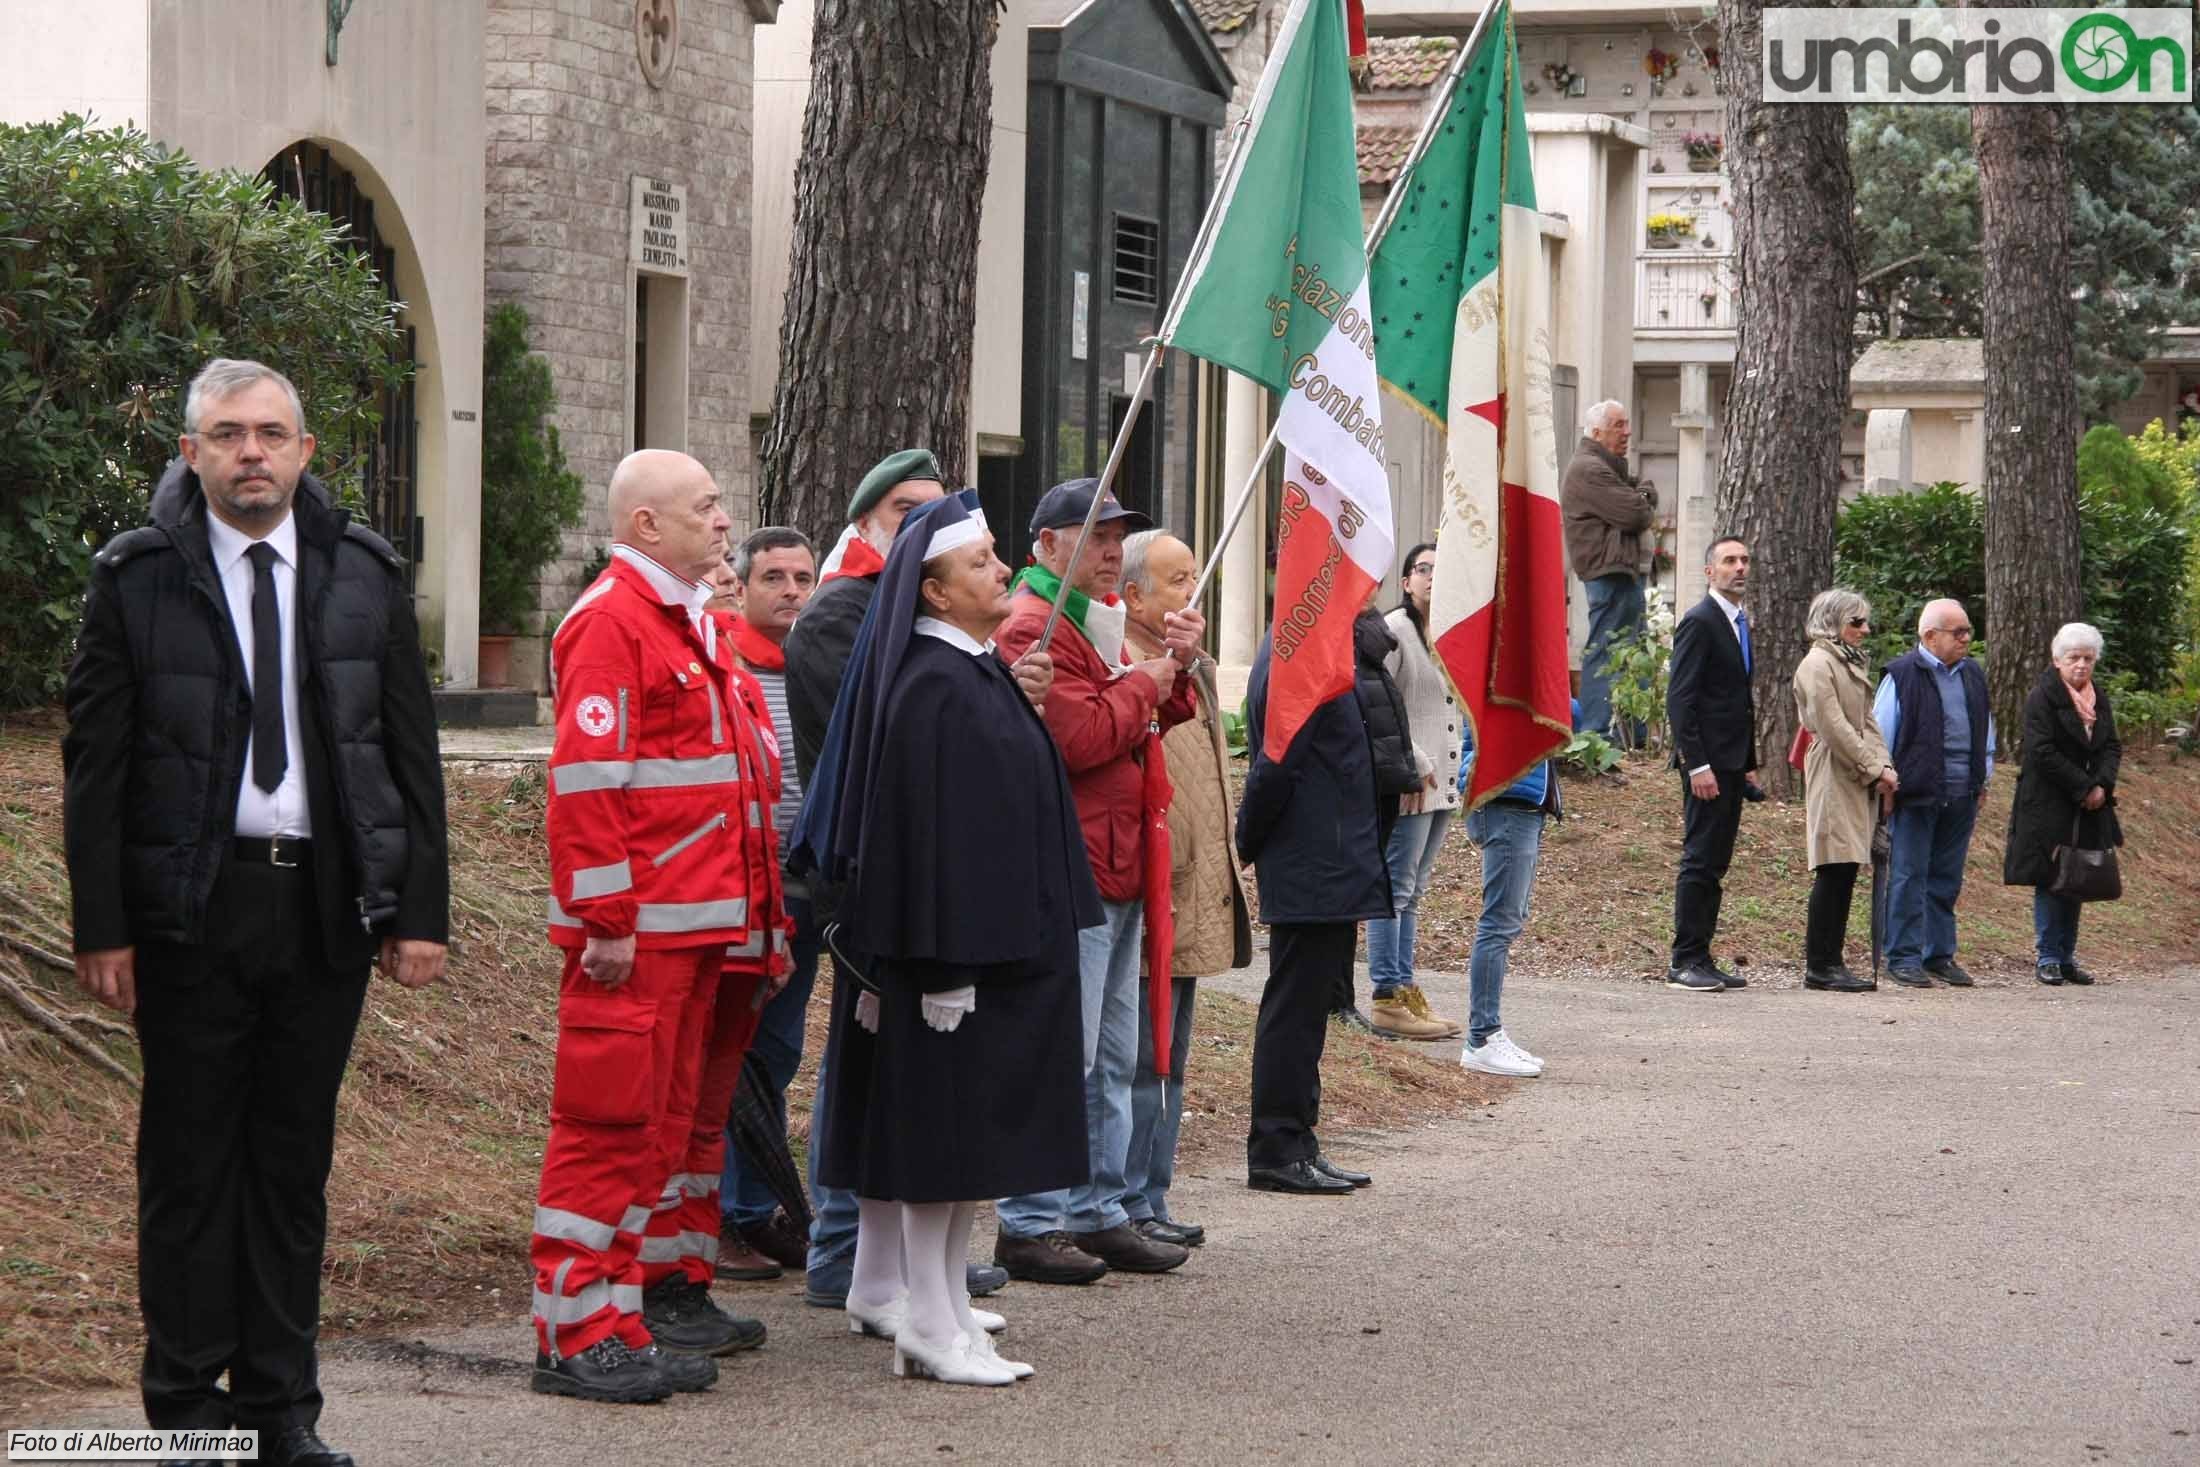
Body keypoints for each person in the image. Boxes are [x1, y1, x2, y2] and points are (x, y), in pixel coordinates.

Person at [63, 358, 449, 1467]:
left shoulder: (366, 575)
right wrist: (102, 925)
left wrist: (416, 909)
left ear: (304, 451)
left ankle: (283, 1408)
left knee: (290, 1165)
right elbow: (97, 766)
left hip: (323, 907)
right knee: (189, 1164)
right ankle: (186, 1412)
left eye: (272, 433)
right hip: (189, 907)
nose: (251, 453)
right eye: (227, 434)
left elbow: (407, 754)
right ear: (190, 454)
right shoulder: (137, 578)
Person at [804, 490, 1098, 1385]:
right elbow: (932, 839)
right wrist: (946, 968)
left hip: (997, 949)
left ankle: (938, 1311)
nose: (1002, 570)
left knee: (963, 1144)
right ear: (932, 592)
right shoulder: (934, 686)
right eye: (979, 563)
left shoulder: (968, 670)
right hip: (959, 957)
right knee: (944, 1142)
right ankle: (928, 1324)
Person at [528, 449, 788, 1404]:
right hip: (635, 943)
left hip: (691, 936)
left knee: (658, 1134)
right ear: (647, 525)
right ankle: (571, 1333)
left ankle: (621, 1319)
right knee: (607, 1131)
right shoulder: (611, 622)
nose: (725, 523)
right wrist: (605, 916)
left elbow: (734, 784)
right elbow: (588, 786)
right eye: (707, 507)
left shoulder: (681, 621)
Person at [780, 451, 1011, 1311]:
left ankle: (891, 1273)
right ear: (871, 517)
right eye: (908, 506)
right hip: (878, 899)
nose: (925, 517)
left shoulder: (915, 631)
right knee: (878, 1078)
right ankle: (844, 1252)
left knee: (898, 1075)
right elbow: (888, 749)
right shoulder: (847, 613)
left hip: (913, 897)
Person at [991, 479, 1203, 1282]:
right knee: (1065, 1051)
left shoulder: (1094, 621)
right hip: (1072, 861)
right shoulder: (1033, 625)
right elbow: (1079, 738)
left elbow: (1143, 718)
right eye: (1095, 535)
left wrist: (1169, 671)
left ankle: (1096, 1205)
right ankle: (1032, 1217)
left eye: (1117, 537)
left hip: (1114, 859)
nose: (1113, 551)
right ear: (1046, 545)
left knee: (1110, 1053)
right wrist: (1149, 680)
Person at [1118, 530, 1252, 1250]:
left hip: (1196, 883)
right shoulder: (1126, 664)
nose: (1190, 595)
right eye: (1176, 581)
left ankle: (1153, 1191)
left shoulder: (1189, 670)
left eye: (1196, 577)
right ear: (1134, 595)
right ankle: (1127, 1198)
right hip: (1150, 887)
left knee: (1171, 1050)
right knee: (1139, 1053)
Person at [1237, 635, 1390, 1195]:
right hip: (1310, 862)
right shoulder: (1296, 650)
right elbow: (1276, 764)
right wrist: (1247, 841)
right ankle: (1276, 1148)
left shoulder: (1320, 649)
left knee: (1310, 1011)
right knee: (1294, 1009)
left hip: (1332, 862)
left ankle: (1299, 1140)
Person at [715, 526, 823, 1279]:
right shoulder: (721, 660)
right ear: (745, 587)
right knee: (736, 1058)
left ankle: (760, 1208)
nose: (791, 591)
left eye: (803, 578)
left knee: (779, 1055)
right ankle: (724, 1216)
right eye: (774, 578)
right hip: (743, 888)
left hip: (808, 888)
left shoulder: (816, 665)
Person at [1368, 542, 1464, 1040]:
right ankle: (1386, 993)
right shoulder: (1395, 632)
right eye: (1422, 570)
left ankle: (1406, 988)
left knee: (1415, 890)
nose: (1431, 578)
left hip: (1444, 784)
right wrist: (1411, 763)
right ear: (1406, 582)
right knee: (1395, 889)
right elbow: (1382, 706)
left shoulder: (1447, 635)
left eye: (1440, 570)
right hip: (1412, 780)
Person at [1874, 598, 1996, 990]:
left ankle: (1938, 955)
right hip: (1915, 794)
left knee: (1946, 878)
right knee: (1909, 875)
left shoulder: (1972, 674)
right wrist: (1886, 785)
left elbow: (1985, 732)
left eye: (1967, 632)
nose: (1965, 639)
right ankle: (1903, 956)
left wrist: (1983, 780)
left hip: (1962, 792)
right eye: (1957, 632)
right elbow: (1882, 734)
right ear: (1929, 635)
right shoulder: (1901, 674)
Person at [1453, 701, 1576, 1076]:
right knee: (1499, 923)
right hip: (1508, 801)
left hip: (1517, 799)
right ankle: (1482, 1037)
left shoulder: (1511, 674)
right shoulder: (1505, 676)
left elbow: (1569, 714)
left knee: (1507, 920)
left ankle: (1487, 1033)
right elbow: (1563, 713)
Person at [2003, 623, 2122, 986]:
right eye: (2074, 658)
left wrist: (2101, 785)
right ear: (2057, 660)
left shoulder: (2098, 697)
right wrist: (2083, 786)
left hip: (2089, 805)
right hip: (2049, 802)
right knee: (2052, 878)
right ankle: (2048, 956)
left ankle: (2068, 956)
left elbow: (2111, 746)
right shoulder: (2043, 696)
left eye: (2088, 658)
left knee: (2079, 878)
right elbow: (2041, 751)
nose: (2081, 665)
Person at [1666, 535, 1759, 993]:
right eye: (1729, 561)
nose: (1739, 567)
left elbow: (1737, 700)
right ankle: (1684, 960)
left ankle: (1702, 955)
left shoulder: (1739, 623)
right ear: (1709, 572)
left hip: (1730, 763)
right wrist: (1695, 763)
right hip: (1706, 765)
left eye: (1743, 560)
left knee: (1716, 861)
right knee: (1700, 859)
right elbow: (1681, 699)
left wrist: (1748, 763)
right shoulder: (1700, 622)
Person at [1791, 589, 1897, 993]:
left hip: (1856, 771)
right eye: (1856, 622)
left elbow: (1866, 720)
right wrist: (1874, 768)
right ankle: (1821, 964)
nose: (1864, 630)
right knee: (1834, 865)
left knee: (1848, 863)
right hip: (1835, 768)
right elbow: (1832, 726)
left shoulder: (1848, 662)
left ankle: (1830, 962)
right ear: (1833, 622)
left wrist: (1885, 767)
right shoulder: (1817, 664)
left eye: (1865, 621)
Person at [1561, 400, 1657, 742]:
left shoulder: (1607, 465)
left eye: (1627, 424)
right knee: (1606, 650)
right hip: (1608, 573)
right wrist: (1642, 497)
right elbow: (1636, 513)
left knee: (1632, 652)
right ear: (1597, 432)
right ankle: (1594, 734)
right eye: (1619, 425)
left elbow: (1642, 490)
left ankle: (1634, 733)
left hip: (1620, 571)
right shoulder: (1590, 468)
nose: (1627, 432)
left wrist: (1641, 493)